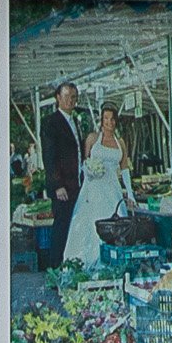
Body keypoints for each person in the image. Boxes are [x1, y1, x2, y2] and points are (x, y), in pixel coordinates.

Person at [57, 105, 132, 275]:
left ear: (116, 121)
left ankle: (111, 265)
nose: (109, 122)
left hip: (112, 190)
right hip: (93, 188)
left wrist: (130, 193)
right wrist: (89, 171)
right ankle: (84, 263)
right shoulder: (92, 138)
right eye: (106, 119)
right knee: (90, 223)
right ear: (101, 120)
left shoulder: (120, 143)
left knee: (115, 224)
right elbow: (84, 162)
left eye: (112, 119)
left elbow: (125, 168)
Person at [36, 81, 86, 269]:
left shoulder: (75, 122)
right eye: (66, 97)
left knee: (73, 228)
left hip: (76, 184)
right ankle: (55, 269)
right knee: (61, 227)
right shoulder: (51, 122)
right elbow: (49, 156)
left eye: (74, 97)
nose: (70, 101)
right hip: (62, 187)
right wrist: (57, 185)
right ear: (58, 98)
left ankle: (68, 266)